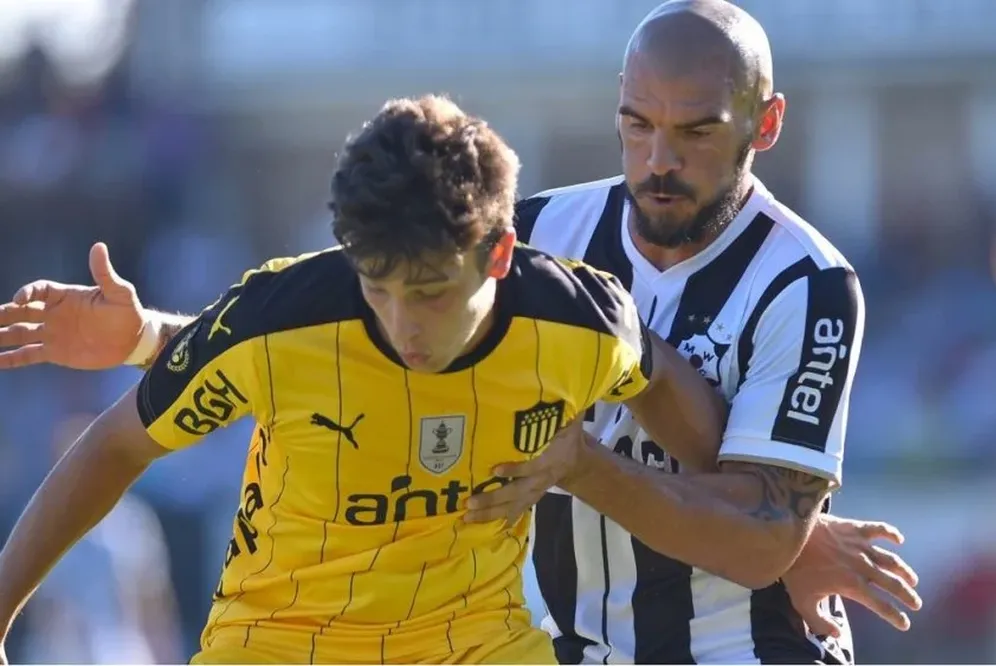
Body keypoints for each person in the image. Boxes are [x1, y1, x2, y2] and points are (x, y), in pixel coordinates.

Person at [0, 95, 728, 665]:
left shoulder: (583, 323)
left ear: (500, 252)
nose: (403, 324)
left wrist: (767, 503)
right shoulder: (277, 319)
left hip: (475, 644)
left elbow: (664, 386)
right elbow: (117, 445)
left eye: (433, 292)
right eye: (378, 288)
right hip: (277, 643)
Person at [460, 0, 922, 663]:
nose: (658, 161)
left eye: (697, 132)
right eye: (637, 125)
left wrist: (585, 467)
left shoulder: (809, 283)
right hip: (575, 649)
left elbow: (761, 542)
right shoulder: (534, 239)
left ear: (766, 124)